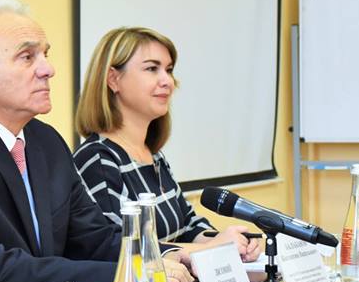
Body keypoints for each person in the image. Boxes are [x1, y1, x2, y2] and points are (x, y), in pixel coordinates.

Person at [0, 0, 195, 282]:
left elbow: (93, 238)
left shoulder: (45, 140)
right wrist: (131, 274)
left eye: (45, 54)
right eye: (27, 57)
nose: (48, 69)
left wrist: (166, 256)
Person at [73, 26, 261, 262]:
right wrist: (214, 249)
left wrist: (232, 242)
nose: (168, 81)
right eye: (152, 69)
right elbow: (121, 249)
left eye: (169, 70)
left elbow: (188, 226)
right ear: (113, 79)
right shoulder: (99, 159)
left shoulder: (153, 156)